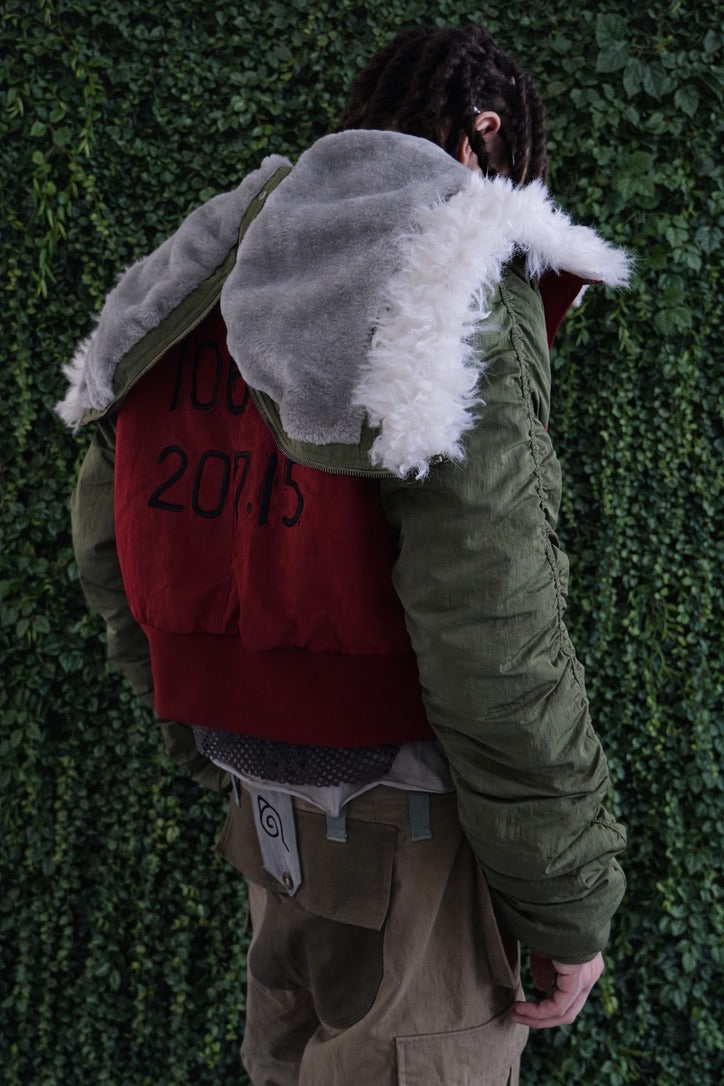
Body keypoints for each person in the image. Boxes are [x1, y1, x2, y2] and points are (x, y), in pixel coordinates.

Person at [58, 24, 630, 1086]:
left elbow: (108, 531)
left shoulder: (211, 258)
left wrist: (200, 722)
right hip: (409, 818)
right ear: (483, 132)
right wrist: (567, 899)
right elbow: (491, 621)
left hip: (262, 806)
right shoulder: (449, 266)